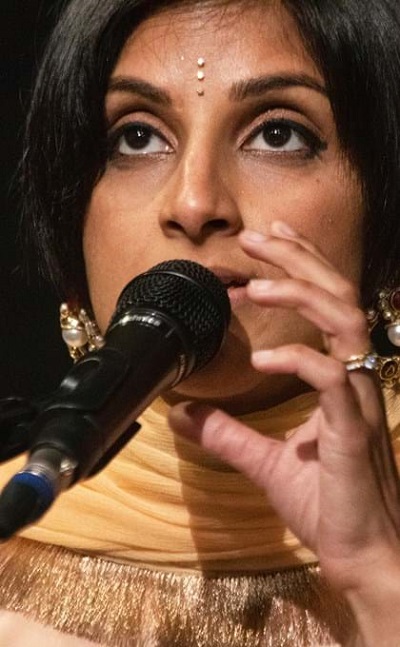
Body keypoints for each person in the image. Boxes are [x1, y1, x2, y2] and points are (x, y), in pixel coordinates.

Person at [0, 0, 400, 644]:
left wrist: (380, 578)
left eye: (279, 134)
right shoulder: (17, 508)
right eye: (137, 137)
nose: (193, 203)